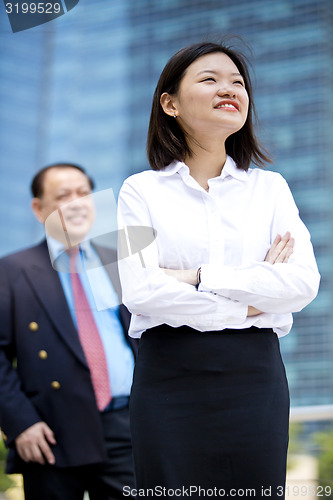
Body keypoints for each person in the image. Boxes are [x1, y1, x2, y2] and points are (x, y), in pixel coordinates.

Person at [117, 42, 320, 498]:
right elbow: (140, 291)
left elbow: (302, 284)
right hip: (168, 377)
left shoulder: (270, 189)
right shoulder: (139, 191)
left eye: (238, 83)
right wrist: (251, 302)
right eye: (209, 79)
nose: (230, 89)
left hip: (255, 378)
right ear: (169, 103)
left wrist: (198, 277)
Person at [0, 163, 137, 500]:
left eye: (83, 193)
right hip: (50, 435)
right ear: (38, 208)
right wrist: (20, 423)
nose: (76, 202)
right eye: (63, 196)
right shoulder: (13, 271)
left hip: (129, 428)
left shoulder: (120, 259)